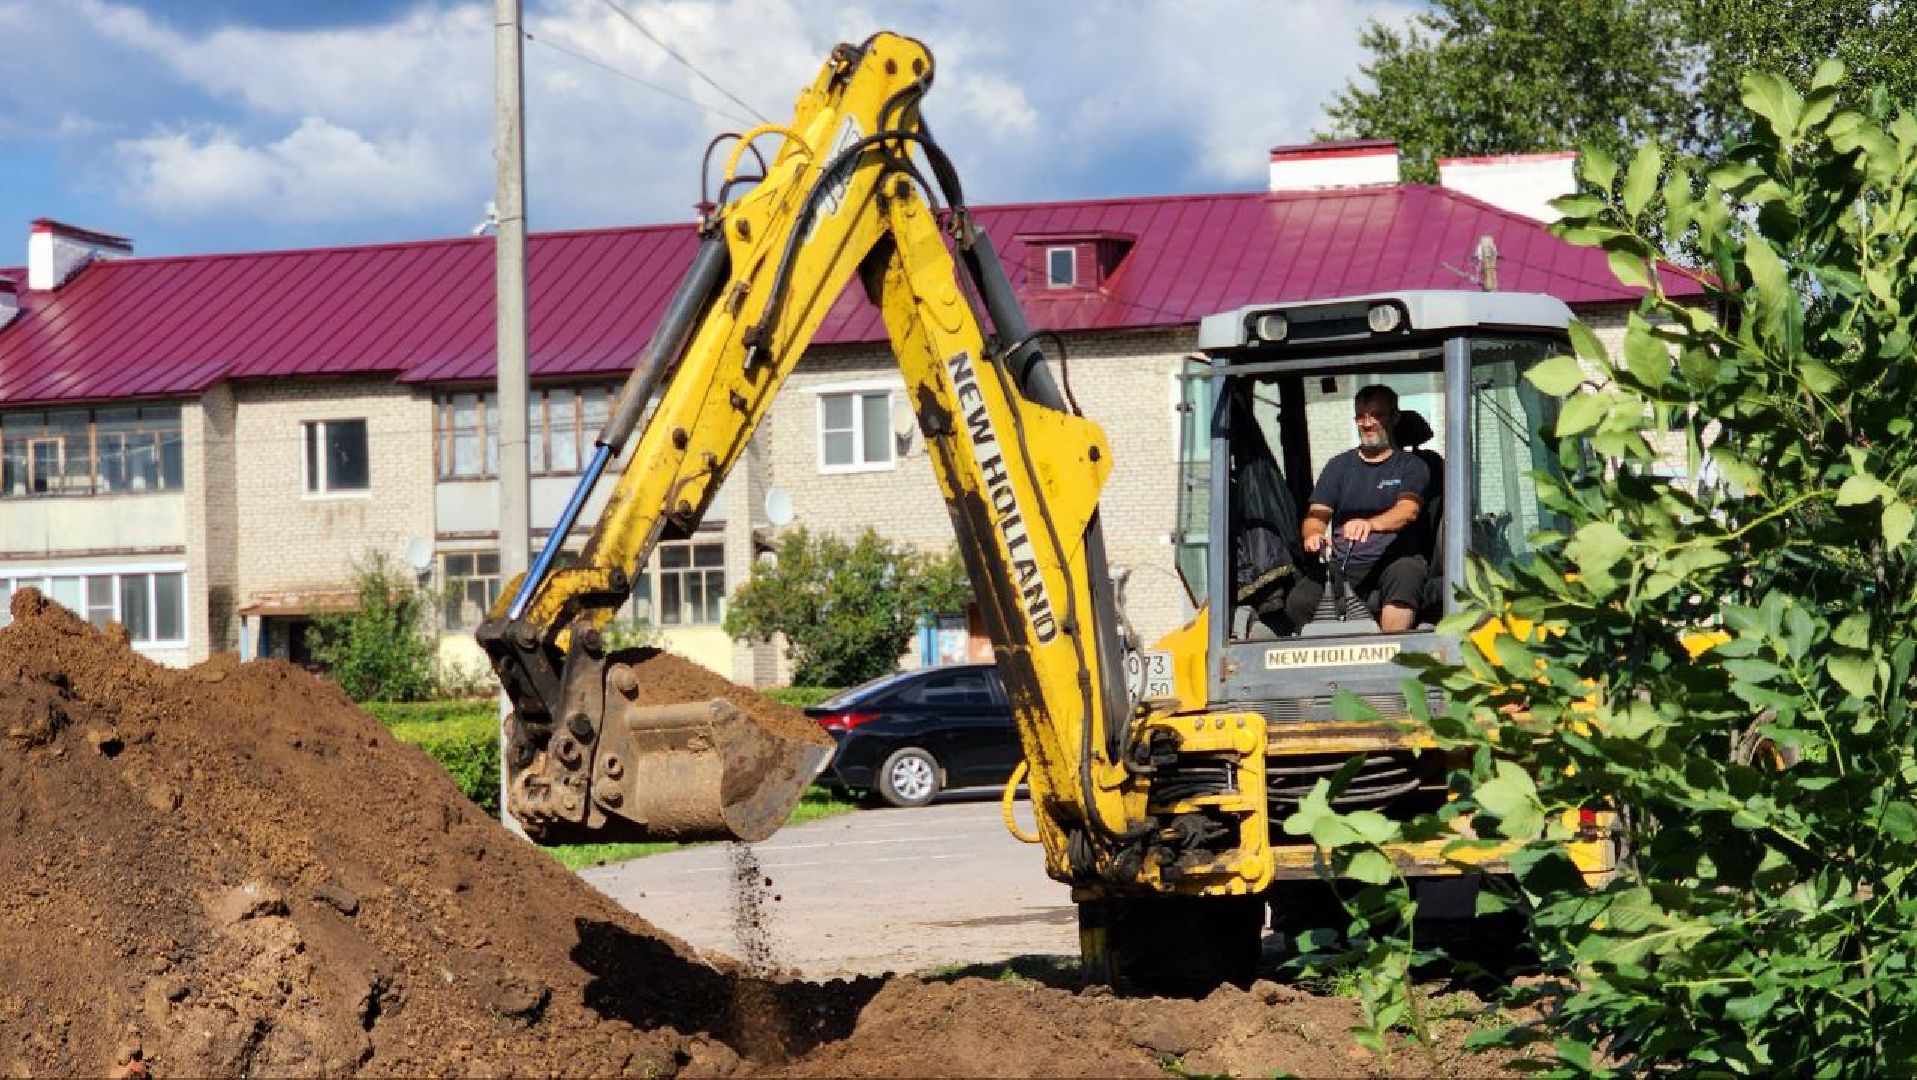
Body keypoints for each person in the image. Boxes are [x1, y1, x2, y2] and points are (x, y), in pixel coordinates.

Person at [1283, 384, 1432, 633]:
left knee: (1404, 579)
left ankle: (1389, 658)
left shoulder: (1411, 466)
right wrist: (1313, 535)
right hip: (1344, 562)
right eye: (1361, 417)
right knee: (1299, 602)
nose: (1368, 423)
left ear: (1394, 417)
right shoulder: (1338, 467)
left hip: (1395, 560)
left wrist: (1371, 524)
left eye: (1377, 415)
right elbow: (1317, 514)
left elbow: (1408, 510)